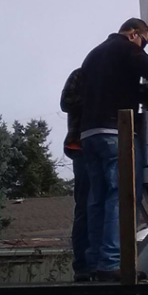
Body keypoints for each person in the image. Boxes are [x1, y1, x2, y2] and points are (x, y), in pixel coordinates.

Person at [80, 18, 148, 281]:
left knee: (97, 198)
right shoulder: (125, 48)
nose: (143, 47)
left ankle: (95, 262)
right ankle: (112, 262)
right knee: (122, 195)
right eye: (144, 42)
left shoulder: (93, 54)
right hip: (116, 132)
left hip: (89, 134)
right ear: (134, 34)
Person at [60, 66, 91, 282]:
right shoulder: (82, 74)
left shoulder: (118, 76)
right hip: (82, 146)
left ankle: (102, 263)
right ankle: (83, 267)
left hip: (114, 148)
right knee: (86, 207)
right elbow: (66, 102)